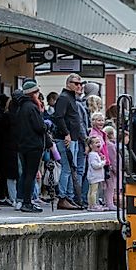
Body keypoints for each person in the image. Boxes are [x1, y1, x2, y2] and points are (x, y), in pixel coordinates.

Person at [51, 74, 84, 210]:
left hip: (73, 138)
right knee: (67, 168)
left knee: (72, 169)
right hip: (66, 138)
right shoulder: (64, 98)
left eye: (80, 84)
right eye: (76, 83)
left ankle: (69, 197)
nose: (79, 86)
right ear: (68, 83)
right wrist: (66, 133)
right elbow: (58, 117)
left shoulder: (70, 98)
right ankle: (63, 197)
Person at [14, 80, 46, 213]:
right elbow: (39, 127)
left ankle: (23, 200)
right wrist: (47, 125)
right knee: (30, 174)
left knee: (26, 173)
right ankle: (28, 202)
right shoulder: (32, 107)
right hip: (33, 145)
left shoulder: (20, 107)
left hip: (23, 145)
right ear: (33, 93)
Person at [85, 135, 108, 211]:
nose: (99, 144)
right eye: (96, 142)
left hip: (95, 176)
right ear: (91, 146)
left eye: (99, 142)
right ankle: (93, 205)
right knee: (93, 191)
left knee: (91, 191)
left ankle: (90, 204)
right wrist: (103, 162)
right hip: (94, 176)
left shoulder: (95, 154)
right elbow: (95, 165)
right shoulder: (92, 155)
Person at [103, 125, 118, 211]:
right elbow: (113, 159)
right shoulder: (111, 145)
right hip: (112, 169)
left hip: (108, 168)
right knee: (111, 186)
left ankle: (107, 202)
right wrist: (116, 170)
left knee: (107, 186)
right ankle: (110, 203)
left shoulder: (107, 144)